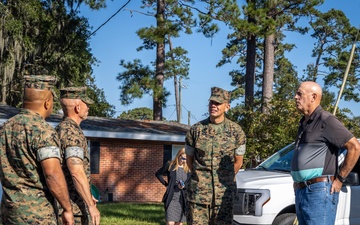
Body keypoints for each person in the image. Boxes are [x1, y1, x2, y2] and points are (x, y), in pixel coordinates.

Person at [0, 75, 74, 225]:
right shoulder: (43, 131)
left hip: (9, 212)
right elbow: (52, 175)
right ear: (47, 103)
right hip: (37, 215)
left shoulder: (5, 128)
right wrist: (67, 209)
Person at [291, 81, 360, 225]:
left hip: (319, 191)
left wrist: (340, 179)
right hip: (302, 190)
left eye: (299, 94)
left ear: (313, 97)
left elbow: (355, 147)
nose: (295, 97)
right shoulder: (304, 122)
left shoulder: (326, 120)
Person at [185, 87, 246, 225]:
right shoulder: (196, 130)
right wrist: (201, 180)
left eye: (218, 103)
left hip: (224, 196)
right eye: (211, 102)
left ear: (227, 107)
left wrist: (224, 179)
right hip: (198, 196)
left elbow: (238, 162)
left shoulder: (236, 132)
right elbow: (190, 160)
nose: (213, 106)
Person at [56, 87, 100, 225]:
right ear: (77, 107)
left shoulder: (61, 128)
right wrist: (91, 207)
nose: (88, 108)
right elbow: (76, 172)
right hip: (73, 209)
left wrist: (88, 194)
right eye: (86, 104)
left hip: (67, 206)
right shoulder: (71, 133)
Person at [155, 148, 190, 225]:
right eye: (183, 158)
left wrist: (184, 187)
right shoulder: (170, 165)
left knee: (179, 223)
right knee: (170, 222)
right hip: (172, 197)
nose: (184, 161)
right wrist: (166, 184)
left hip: (182, 199)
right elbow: (158, 174)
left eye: (186, 159)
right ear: (179, 156)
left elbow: (190, 183)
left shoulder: (188, 169)